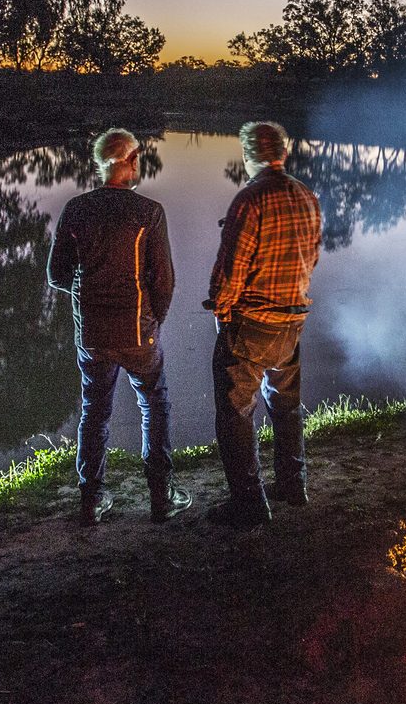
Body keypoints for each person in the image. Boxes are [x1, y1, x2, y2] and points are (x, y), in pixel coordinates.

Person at [46, 128, 186, 524]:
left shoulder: (77, 209)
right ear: (130, 160)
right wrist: (153, 321)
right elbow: (164, 281)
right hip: (138, 332)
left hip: (91, 333)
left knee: (94, 411)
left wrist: (84, 286)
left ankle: (91, 501)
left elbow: (57, 274)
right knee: (154, 405)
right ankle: (160, 496)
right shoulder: (148, 212)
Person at [203, 120, 322, 527]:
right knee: (286, 406)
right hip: (293, 320)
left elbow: (229, 275)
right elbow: (312, 259)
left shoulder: (249, 200)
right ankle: (294, 485)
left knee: (235, 412)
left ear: (248, 155)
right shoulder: (307, 196)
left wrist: (221, 311)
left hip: (253, 321)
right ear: (283, 153)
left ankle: (249, 503)